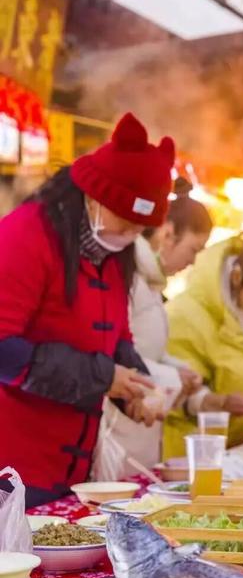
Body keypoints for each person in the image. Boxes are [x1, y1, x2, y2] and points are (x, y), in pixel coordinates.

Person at [0, 112, 174, 508]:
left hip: (72, 475)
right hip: (11, 471)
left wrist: (136, 388)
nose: (131, 235)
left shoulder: (111, 255)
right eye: (125, 221)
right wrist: (102, 377)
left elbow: (116, 339)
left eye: (140, 228)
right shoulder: (26, 234)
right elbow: (3, 349)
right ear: (95, 196)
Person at [94, 195, 213, 476]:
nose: (193, 262)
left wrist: (177, 369)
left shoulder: (150, 282)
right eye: (193, 249)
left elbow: (145, 351)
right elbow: (112, 351)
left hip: (143, 427)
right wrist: (172, 377)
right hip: (118, 423)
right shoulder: (128, 278)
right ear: (168, 232)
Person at [164, 237, 243, 451]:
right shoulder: (187, 314)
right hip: (191, 448)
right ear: (237, 277)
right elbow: (176, 384)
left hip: (240, 446)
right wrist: (217, 402)